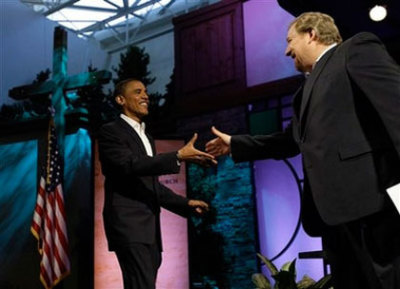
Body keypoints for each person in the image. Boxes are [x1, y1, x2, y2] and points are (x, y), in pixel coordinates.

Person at [206, 12, 400, 289]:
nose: (287, 50)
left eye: (290, 40)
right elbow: (290, 142)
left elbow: (396, 107)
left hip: (374, 204)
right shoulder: (304, 92)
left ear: (312, 34)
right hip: (334, 215)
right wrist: (236, 144)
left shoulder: (355, 50)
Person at [97, 78, 216, 289]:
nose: (145, 96)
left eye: (145, 91)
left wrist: (185, 204)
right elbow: (129, 165)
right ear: (120, 99)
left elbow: (151, 185)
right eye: (138, 92)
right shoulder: (111, 131)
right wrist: (178, 155)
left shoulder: (147, 137)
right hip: (129, 225)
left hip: (150, 229)